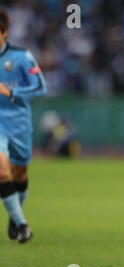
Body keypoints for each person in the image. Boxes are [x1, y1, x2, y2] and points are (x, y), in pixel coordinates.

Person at [0, 9, 47, 243]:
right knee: (1, 170)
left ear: (4, 33)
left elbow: (40, 87)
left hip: (18, 122)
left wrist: (11, 92)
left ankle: (14, 213)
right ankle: (23, 224)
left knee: (20, 173)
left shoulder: (21, 56)